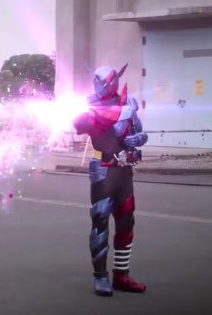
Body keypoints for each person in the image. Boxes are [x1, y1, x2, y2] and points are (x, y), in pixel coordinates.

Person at [73, 64, 148, 297]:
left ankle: (121, 275)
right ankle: (100, 276)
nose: (102, 86)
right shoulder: (89, 105)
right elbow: (78, 125)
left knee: (126, 222)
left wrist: (139, 139)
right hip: (103, 170)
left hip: (124, 171)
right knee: (100, 223)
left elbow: (139, 132)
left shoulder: (128, 103)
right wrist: (85, 118)